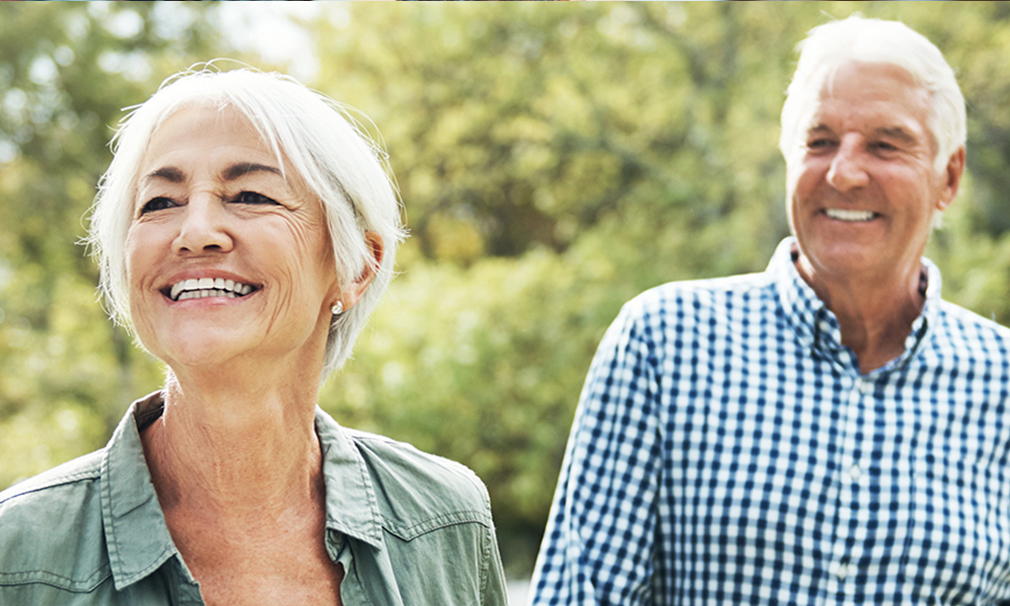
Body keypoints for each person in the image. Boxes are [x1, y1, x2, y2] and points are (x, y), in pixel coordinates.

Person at [531, 15, 1010, 605]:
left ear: (950, 177)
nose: (844, 171)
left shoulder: (1003, 382)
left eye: (886, 145)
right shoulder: (665, 342)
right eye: (820, 140)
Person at [0, 68, 508, 606]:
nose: (195, 232)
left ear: (355, 265)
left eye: (248, 194)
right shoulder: (18, 558)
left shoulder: (446, 520)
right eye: (159, 203)